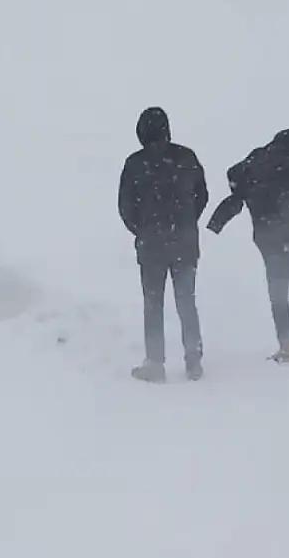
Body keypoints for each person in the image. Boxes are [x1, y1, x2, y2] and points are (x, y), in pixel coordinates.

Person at [206, 128, 289, 362]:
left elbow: (234, 174)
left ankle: (286, 347)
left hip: (271, 236)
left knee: (278, 294)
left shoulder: (262, 157)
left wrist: (223, 214)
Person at [118, 106, 209, 382]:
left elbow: (125, 207)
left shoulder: (135, 163)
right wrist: (184, 223)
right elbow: (201, 197)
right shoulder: (187, 157)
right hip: (184, 243)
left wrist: (143, 230)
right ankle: (193, 361)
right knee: (186, 302)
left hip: (151, 246)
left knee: (153, 304)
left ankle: (155, 363)